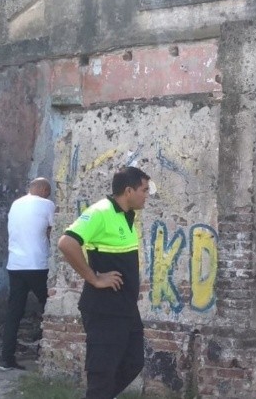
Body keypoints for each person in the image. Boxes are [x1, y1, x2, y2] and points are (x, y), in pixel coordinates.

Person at [58, 167, 151, 399]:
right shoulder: (100, 211)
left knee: (134, 362)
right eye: (144, 190)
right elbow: (67, 243)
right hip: (104, 309)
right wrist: (94, 278)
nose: (147, 195)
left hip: (126, 308)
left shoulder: (127, 215)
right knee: (102, 373)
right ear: (128, 191)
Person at [0, 177, 56, 371]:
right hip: (37, 264)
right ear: (42, 189)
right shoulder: (47, 205)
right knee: (49, 306)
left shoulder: (16, 204)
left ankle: (6, 359)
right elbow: (53, 232)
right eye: (48, 192)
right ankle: (46, 352)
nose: (48, 195)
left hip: (15, 265)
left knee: (14, 313)